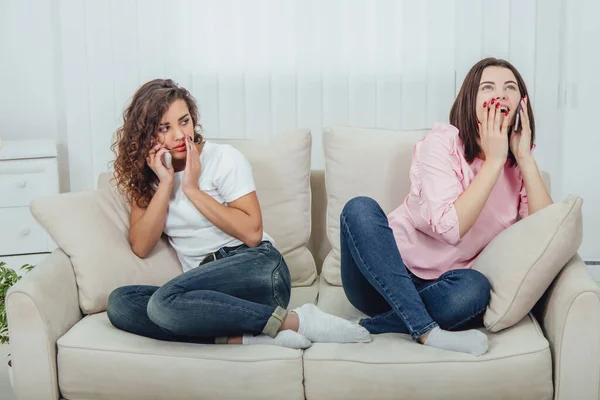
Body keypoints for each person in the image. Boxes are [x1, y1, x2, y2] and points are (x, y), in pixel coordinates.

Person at [107, 79, 370, 349]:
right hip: (205, 291)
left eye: (184, 122)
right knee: (121, 302)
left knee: (163, 303)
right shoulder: (148, 179)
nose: (177, 134)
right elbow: (141, 246)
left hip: (256, 268)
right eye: (164, 128)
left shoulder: (223, 158)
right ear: (146, 133)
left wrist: (192, 189)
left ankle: (298, 322)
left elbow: (253, 233)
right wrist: (165, 182)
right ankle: (243, 335)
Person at [339, 58, 553, 356]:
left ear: (521, 104)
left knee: (476, 289)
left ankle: (382, 324)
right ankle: (426, 330)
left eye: (510, 88)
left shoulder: (518, 165)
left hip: (442, 289)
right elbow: (449, 228)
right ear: (470, 101)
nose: (501, 94)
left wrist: (525, 158)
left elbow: (547, 234)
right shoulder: (441, 144)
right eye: (488, 87)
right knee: (358, 208)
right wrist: (493, 161)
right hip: (381, 276)